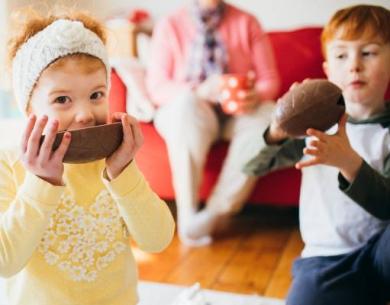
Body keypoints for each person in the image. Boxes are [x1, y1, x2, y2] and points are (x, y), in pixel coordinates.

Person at [0, 9, 175, 305]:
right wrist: (41, 182)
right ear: (29, 109)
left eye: (96, 95)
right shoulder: (9, 164)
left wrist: (124, 173)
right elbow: (6, 262)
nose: (84, 115)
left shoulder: (114, 162)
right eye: (62, 100)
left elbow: (157, 240)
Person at [244, 4, 390, 305]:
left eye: (369, 53)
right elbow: (252, 167)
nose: (354, 65)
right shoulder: (314, 126)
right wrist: (276, 132)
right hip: (326, 261)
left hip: (381, 256)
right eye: (341, 55)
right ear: (327, 70)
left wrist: (349, 162)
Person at [146, 0, 281, 246]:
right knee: (186, 105)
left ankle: (214, 213)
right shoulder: (169, 25)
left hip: (236, 113)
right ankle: (187, 214)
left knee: (270, 115)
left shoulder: (247, 22)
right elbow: (157, 87)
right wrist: (198, 91)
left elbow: (269, 80)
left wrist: (255, 96)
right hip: (189, 112)